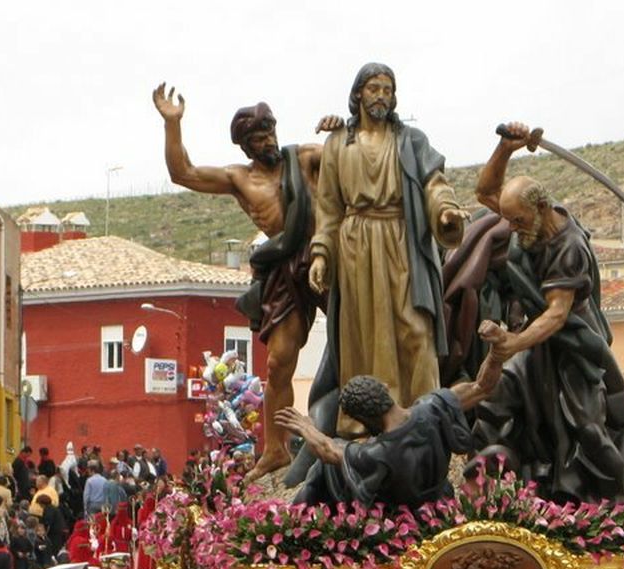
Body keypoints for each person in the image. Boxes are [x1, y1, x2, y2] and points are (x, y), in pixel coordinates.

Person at [152, 88, 341, 480]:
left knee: (354, 333)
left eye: (269, 132)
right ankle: (276, 449)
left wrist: (341, 130)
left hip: (323, 254)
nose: (267, 141)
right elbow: (182, 172)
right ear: (245, 145)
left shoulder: (304, 158)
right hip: (282, 269)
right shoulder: (239, 178)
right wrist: (172, 123)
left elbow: (349, 157)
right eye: (257, 138)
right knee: (278, 361)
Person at [299, 62, 468, 482]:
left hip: (402, 238)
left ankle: (422, 413)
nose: (381, 95)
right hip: (356, 244)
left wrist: (445, 211)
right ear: (357, 94)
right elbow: (330, 208)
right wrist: (321, 253)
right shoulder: (339, 144)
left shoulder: (410, 140)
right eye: (373, 87)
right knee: (362, 331)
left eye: (387, 88)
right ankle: (362, 424)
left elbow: (434, 182)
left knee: (415, 328)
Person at [444, 147, 624, 501]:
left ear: (541, 209)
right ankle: (497, 481)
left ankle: (618, 498)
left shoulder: (570, 247)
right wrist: (505, 148)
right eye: (511, 221)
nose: (513, 229)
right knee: (499, 395)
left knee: (585, 427)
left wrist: (510, 344)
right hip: (535, 342)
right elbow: (484, 192)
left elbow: (556, 314)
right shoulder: (528, 224)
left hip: (573, 345)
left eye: (518, 221)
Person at [281, 348, 504, 508]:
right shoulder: (433, 408)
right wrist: (496, 353)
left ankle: (296, 525)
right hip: (440, 510)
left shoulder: (379, 453)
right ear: (386, 389)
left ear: (363, 419)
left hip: (403, 524)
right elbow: (483, 386)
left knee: (327, 467)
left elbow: (328, 450)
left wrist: (306, 426)